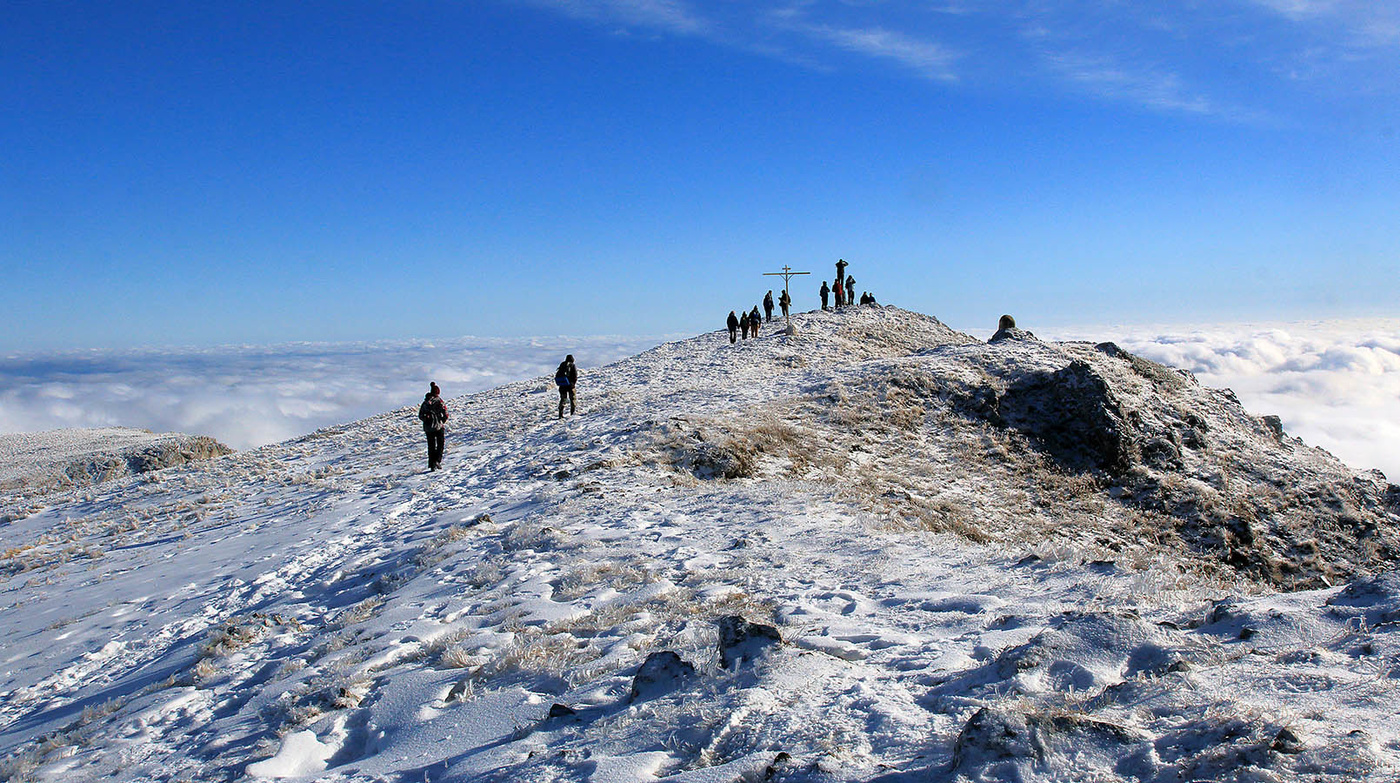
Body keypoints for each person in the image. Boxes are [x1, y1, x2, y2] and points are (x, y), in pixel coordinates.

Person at [417, 382, 449, 471]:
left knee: (431, 446)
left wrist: (426, 419)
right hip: (438, 426)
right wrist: (442, 421)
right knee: (440, 444)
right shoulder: (439, 401)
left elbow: (420, 415)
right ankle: (437, 461)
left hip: (428, 428)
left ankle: (431, 465)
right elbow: (445, 414)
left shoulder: (425, 402)